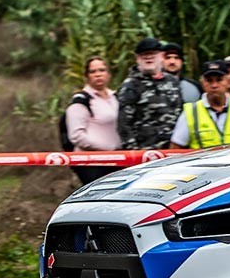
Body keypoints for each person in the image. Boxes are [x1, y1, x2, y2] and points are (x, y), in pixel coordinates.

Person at [170, 60, 230, 149]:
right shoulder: (190, 112)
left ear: (227, 80)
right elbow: (176, 148)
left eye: (219, 80)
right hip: (202, 164)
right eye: (209, 81)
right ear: (202, 82)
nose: (214, 85)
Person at [117, 37, 183, 149]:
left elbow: (180, 113)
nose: (148, 57)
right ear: (137, 59)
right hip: (144, 152)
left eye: (152, 54)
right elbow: (124, 124)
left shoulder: (173, 82)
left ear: (162, 56)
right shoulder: (131, 85)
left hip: (172, 151)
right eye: (144, 55)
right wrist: (133, 152)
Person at [64, 56, 122, 184]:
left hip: (117, 160)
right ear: (87, 76)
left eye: (102, 70)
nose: (98, 74)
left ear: (108, 74)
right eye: (93, 71)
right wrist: (108, 148)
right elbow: (76, 136)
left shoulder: (116, 97)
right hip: (91, 162)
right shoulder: (81, 101)